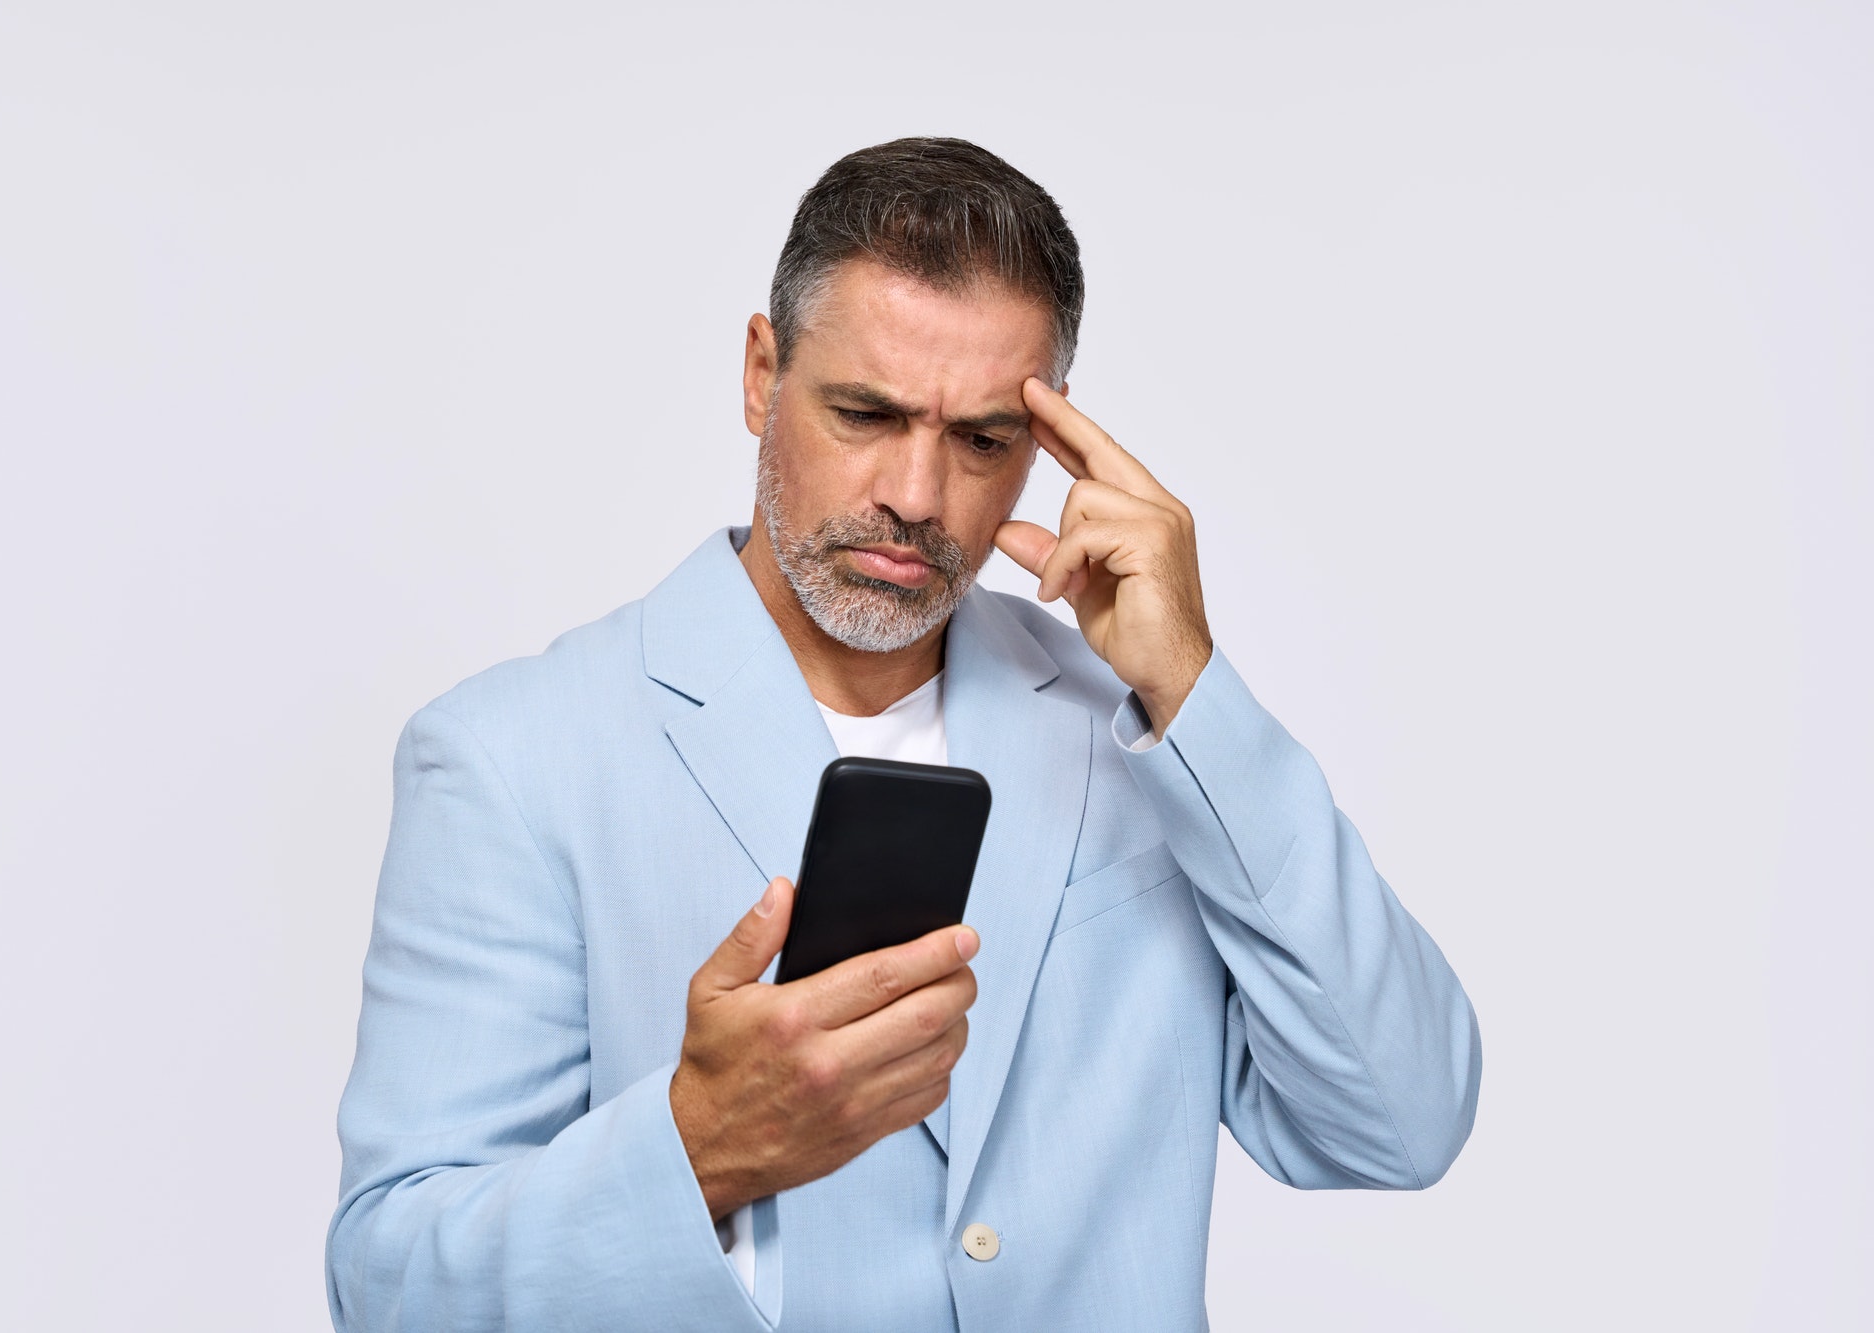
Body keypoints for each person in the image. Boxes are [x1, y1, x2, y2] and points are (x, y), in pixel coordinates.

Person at [327, 137, 1481, 1332]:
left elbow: (1400, 1120)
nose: (919, 496)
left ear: (1051, 439)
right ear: (758, 373)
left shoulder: (1138, 731)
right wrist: (696, 1153)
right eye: (864, 413)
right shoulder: (513, 757)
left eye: (983, 438)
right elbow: (393, 1283)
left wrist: (1192, 692)